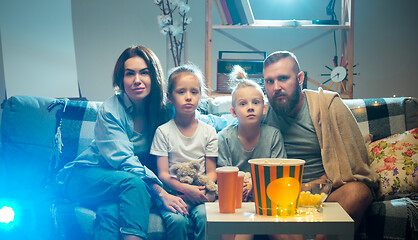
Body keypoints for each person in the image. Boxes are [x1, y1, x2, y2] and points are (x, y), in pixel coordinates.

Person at [56, 45, 188, 240]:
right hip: (85, 178)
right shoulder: (110, 111)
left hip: (122, 185)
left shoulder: (164, 110)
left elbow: (194, 122)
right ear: (121, 80)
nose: (137, 80)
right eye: (129, 74)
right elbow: (125, 162)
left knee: (111, 211)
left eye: (144, 73)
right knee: (133, 183)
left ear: (154, 77)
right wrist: (161, 193)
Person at [261, 51, 378, 239]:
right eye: (269, 81)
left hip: (326, 194)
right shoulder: (262, 115)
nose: (276, 87)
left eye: (283, 78)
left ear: (300, 78)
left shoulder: (328, 106)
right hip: (283, 199)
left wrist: (312, 186)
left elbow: (354, 163)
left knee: (358, 192)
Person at [150, 64, 218, 240]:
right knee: (177, 221)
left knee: (206, 218)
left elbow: (211, 172)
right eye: (181, 92)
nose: (188, 97)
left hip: (201, 192)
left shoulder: (209, 131)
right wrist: (186, 190)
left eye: (194, 92)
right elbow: (163, 174)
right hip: (174, 193)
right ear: (169, 97)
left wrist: (198, 191)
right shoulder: (163, 132)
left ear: (200, 96)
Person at [217, 65, 287, 200]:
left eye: (256, 102)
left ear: (264, 108)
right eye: (243, 104)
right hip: (233, 196)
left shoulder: (273, 136)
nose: (250, 108)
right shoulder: (224, 138)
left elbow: (279, 173)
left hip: (266, 195)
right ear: (233, 112)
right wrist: (239, 185)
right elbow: (223, 177)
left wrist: (253, 185)